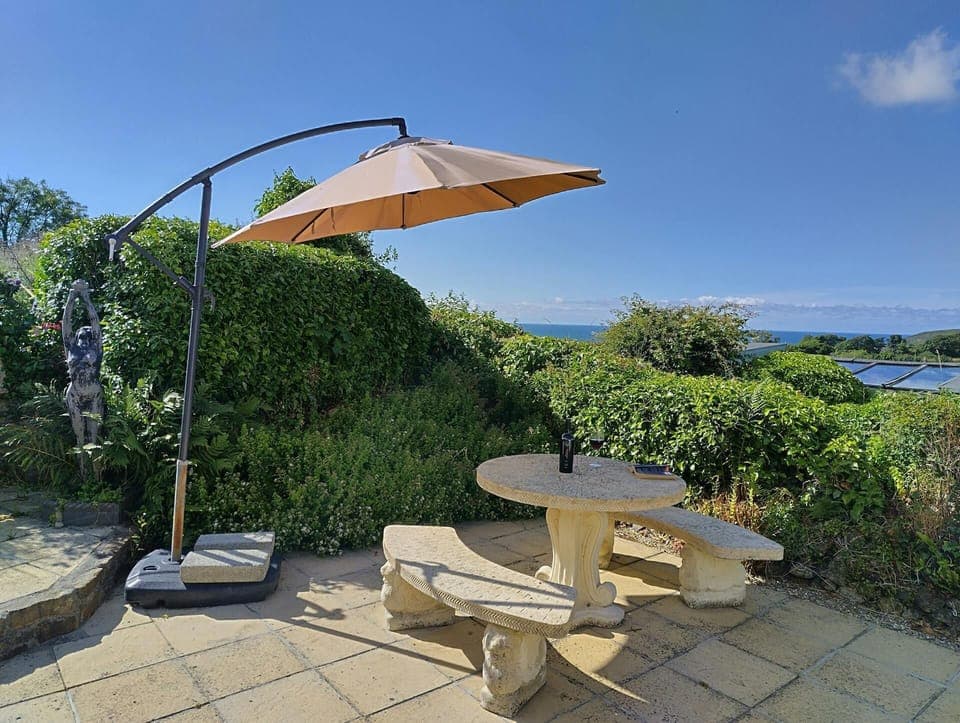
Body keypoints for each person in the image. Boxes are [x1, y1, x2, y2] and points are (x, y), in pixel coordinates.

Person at [62, 279, 103, 470]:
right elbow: (66, 323)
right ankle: (83, 475)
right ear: (77, 337)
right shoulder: (71, 348)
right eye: (81, 336)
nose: (85, 338)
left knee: (93, 437)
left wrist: (86, 298)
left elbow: (95, 322)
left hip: (93, 393)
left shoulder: (96, 347)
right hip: (75, 394)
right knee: (79, 436)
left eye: (88, 336)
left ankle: (96, 477)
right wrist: (72, 297)